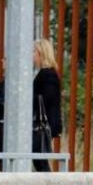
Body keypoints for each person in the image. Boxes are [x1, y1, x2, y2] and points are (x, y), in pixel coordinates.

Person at [32, 39, 62, 172]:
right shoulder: (48, 73)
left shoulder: (47, 74)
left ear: (41, 54)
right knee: (38, 158)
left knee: (39, 158)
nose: (32, 55)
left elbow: (46, 99)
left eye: (34, 51)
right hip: (45, 124)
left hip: (43, 125)